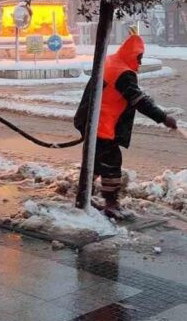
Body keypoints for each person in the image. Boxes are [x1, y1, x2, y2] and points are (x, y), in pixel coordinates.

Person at [74, 33, 178, 220]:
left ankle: (83, 196)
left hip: (89, 119)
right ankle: (111, 204)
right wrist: (163, 117)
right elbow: (138, 101)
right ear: (132, 54)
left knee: (95, 161)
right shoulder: (124, 74)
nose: (140, 61)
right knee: (112, 163)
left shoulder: (111, 61)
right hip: (102, 123)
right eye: (139, 57)